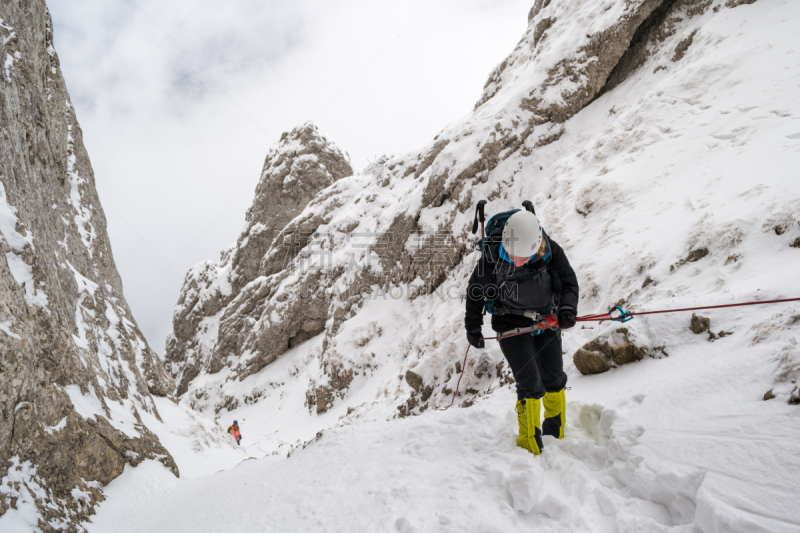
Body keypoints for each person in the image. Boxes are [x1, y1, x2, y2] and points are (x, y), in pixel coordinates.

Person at [465, 209, 579, 455]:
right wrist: (472, 326)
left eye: (524, 257)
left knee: (554, 378)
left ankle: (556, 434)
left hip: (547, 318)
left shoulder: (549, 251)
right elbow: (474, 292)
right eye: (514, 255)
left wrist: (567, 309)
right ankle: (530, 446)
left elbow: (568, 281)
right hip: (510, 323)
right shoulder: (491, 258)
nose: (518, 262)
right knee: (530, 384)